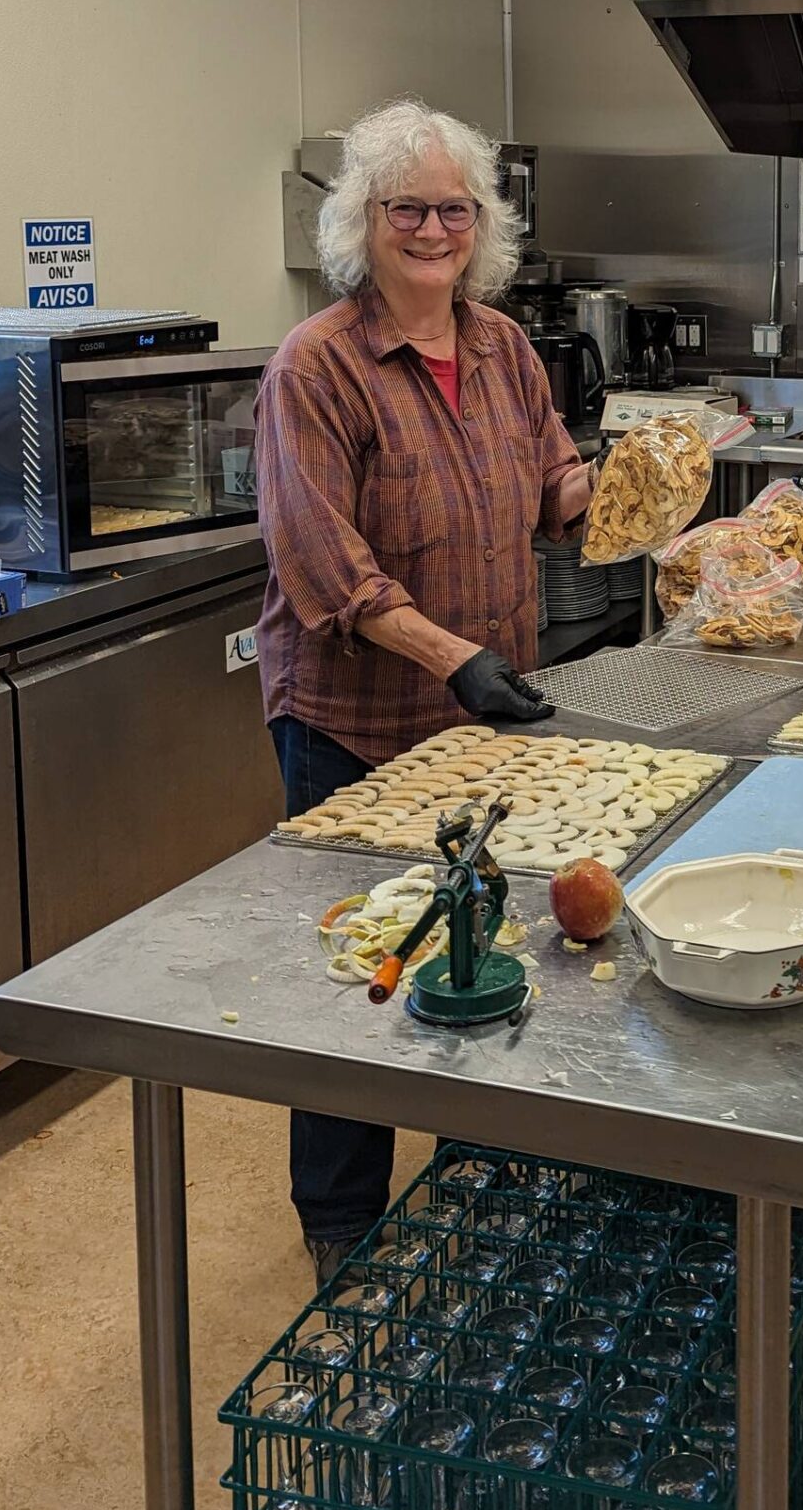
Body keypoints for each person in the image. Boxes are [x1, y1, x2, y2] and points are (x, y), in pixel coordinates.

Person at [254, 97, 595, 1283]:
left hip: (481, 725)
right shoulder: (316, 366)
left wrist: (648, 477)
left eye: (455, 210)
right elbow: (324, 564)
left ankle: (473, 1171)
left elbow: (555, 489)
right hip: (355, 722)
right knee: (359, 962)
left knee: (478, 942)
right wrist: (453, 657)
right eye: (408, 209)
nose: (434, 231)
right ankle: (341, 1219)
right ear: (364, 220)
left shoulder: (503, 348)